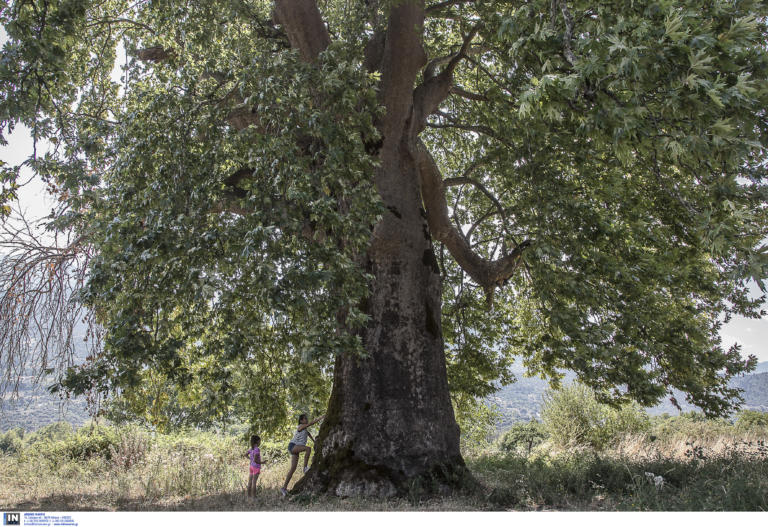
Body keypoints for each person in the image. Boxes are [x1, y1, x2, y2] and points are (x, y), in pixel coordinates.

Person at [280, 413, 324, 496]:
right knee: (308, 449)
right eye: (305, 419)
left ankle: (284, 488)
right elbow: (311, 423)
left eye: (306, 418)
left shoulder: (305, 430)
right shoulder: (300, 427)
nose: (306, 420)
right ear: (301, 421)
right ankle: (305, 468)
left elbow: (309, 434)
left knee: (293, 469)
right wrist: (320, 418)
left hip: (295, 448)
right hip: (293, 446)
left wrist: (314, 442)